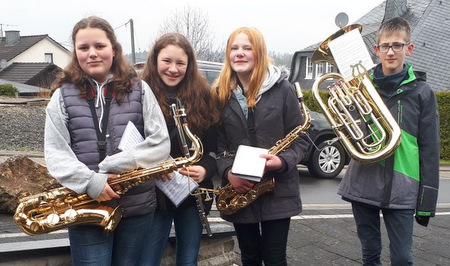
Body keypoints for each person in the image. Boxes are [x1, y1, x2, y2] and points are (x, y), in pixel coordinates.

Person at [44, 16, 170, 265]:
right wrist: (92, 182)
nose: (92, 54)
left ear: (113, 48)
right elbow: (56, 153)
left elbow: (161, 143)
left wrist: (114, 165)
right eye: (84, 48)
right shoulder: (61, 97)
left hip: (137, 208)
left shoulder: (141, 89)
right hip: (87, 208)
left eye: (99, 46)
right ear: (75, 52)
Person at [337, 17, 440, 266]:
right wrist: (345, 101)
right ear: (376, 49)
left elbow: (430, 149)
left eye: (397, 45)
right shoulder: (360, 85)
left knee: (402, 258)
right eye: (385, 46)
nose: (391, 51)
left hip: (403, 187)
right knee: (369, 255)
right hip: (363, 183)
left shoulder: (422, 92)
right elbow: (351, 132)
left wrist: (426, 203)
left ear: (409, 48)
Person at [213, 27, 309, 266]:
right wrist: (228, 173)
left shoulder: (283, 89)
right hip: (239, 189)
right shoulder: (220, 94)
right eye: (234, 48)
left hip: (278, 190)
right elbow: (217, 145)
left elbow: (300, 139)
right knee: (250, 257)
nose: (240, 53)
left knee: (276, 260)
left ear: (260, 53)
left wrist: (283, 161)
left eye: (247, 48)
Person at [140, 33, 220, 265]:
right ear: (155, 61)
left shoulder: (203, 96)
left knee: (188, 260)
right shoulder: (139, 93)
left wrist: (205, 169)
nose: (173, 69)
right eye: (167, 61)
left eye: (180, 63)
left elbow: (214, 146)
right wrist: (150, 164)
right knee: (148, 260)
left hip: (192, 191)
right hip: (154, 192)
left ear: (189, 65)